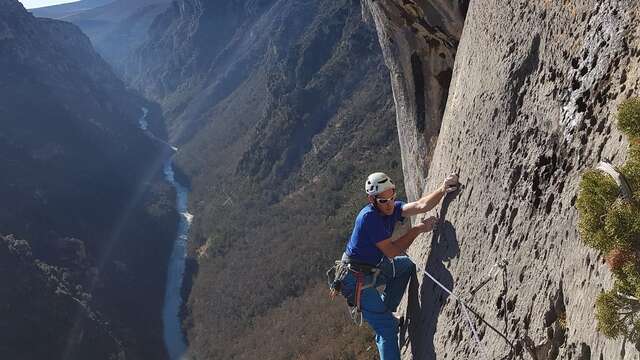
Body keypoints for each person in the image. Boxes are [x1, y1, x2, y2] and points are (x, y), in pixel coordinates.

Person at [338, 171, 459, 360]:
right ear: (372, 199)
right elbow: (392, 252)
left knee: (407, 266)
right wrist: (418, 229)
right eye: (383, 201)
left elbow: (421, 205)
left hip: (372, 267)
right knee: (387, 329)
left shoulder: (392, 208)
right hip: (355, 279)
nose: (389, 204)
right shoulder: (369, 218)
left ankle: (385, 311)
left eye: (392, 197)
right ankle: (385, 321)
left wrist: (442, 189)